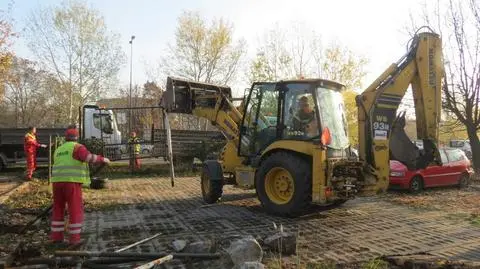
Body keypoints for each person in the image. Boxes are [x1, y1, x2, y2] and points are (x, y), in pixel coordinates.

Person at [50, 126, 110, 247]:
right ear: (76, 138)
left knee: (58, 209)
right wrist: (103, 159)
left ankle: (57, 238)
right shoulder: (77, 147)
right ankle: (74, 239)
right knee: (75, 209)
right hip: (71, 183)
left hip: (56, 183)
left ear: (65, 138)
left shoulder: (59, 149)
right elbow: (88, 157)